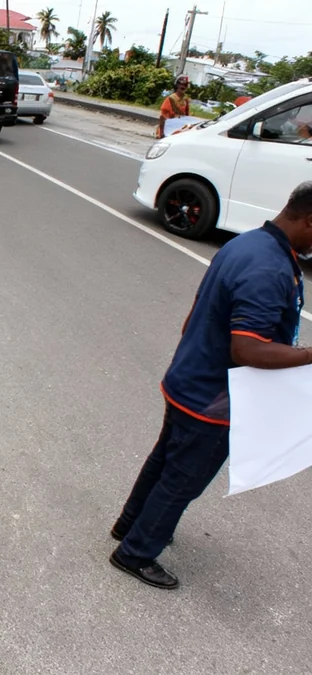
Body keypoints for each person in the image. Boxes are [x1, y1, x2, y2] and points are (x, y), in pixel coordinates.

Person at [109, 181, 312, 590]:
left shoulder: (248, 244)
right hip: (214, 399)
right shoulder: (269, 269)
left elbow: (196, 313)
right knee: (182, 479)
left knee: (164, 460)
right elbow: (248, 350)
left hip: (189, 378)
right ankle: (136, 552)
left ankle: (129, 525)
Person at [157, 75, 191, 139]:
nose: (183, 86)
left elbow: (186, 117)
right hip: (169, 129)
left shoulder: (186, 100)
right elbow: (163, 117)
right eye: (181, 85)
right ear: (177, 86)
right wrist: (162, 133)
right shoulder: (170, 99)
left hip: (180, 129)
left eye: (185, 85)